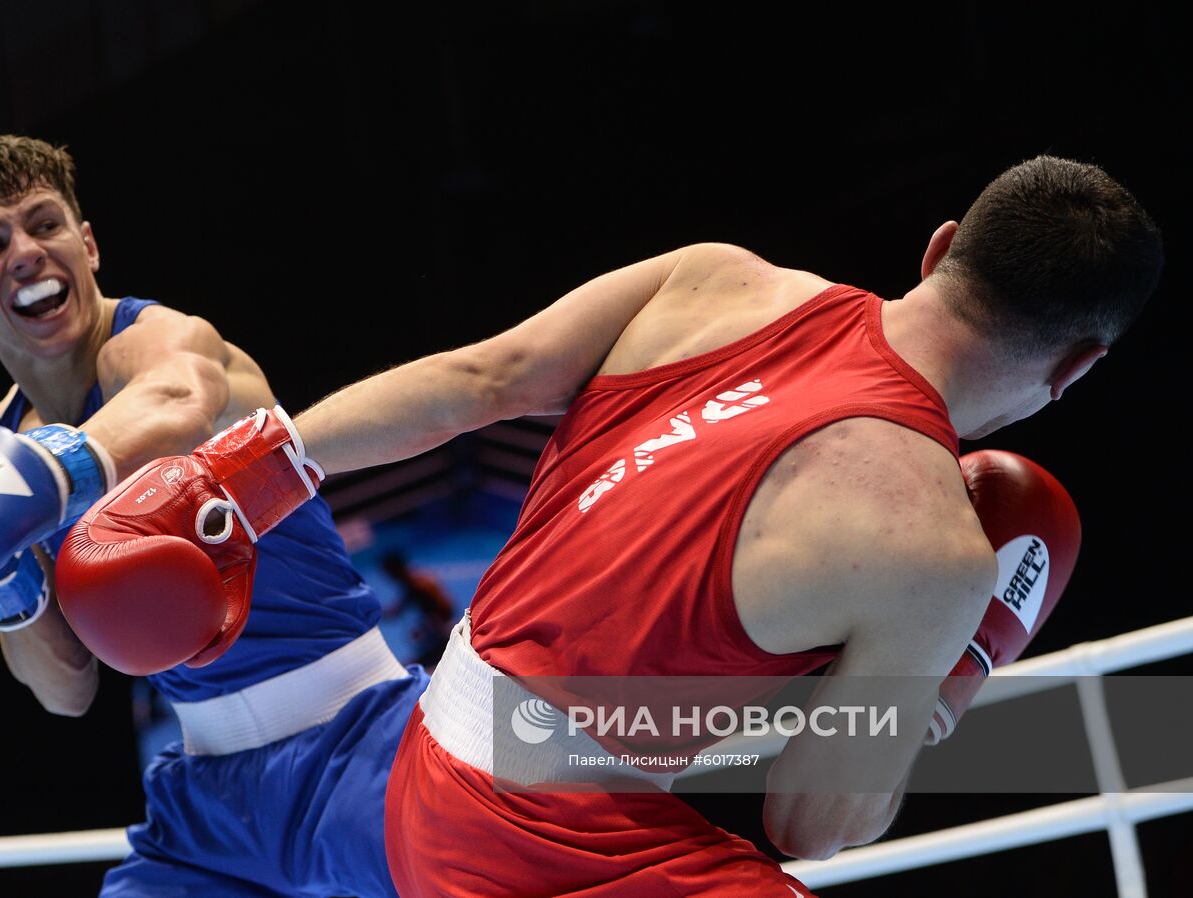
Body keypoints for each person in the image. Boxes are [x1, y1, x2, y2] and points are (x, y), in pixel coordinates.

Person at [58, 156, 1162, 896]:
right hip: (528, 839)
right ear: (1078, 367)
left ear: (939, 245)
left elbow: (474, 379)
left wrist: (232, 478)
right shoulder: (931, 553)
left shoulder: (714, 280)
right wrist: (939, 681)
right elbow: (813, 822)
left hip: (430, 755)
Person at [0, 135, 429, 898]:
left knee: (617, 762)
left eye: (45, 225)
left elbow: (180, 403)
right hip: (205, 811)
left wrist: (51, 478)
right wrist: (4, 578)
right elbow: (66, 692)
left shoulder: (159, 344)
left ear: (87, 245)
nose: (25, 252)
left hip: (363, 738)